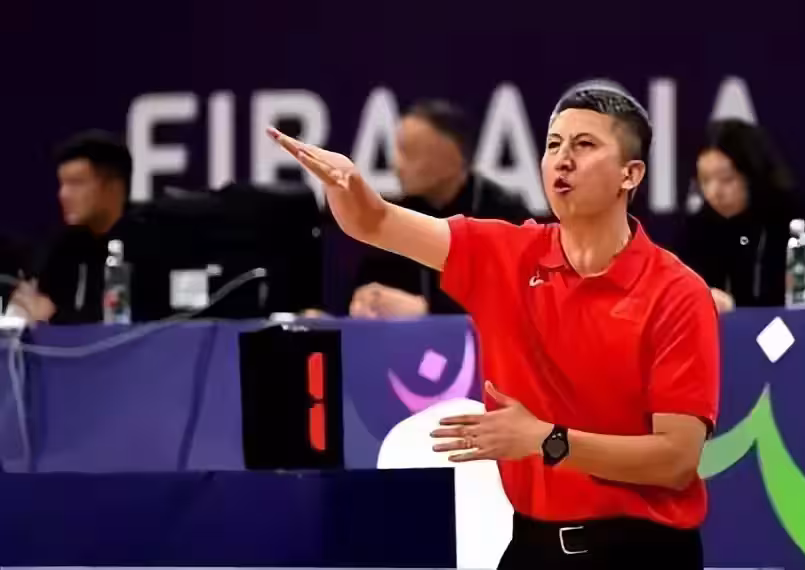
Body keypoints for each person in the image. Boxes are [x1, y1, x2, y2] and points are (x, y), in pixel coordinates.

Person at [269, 79, 718, 567]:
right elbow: (375, 222)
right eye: (553, 145)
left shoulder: (676, 292)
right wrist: (349, 188)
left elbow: (676, 462)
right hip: (532, 545)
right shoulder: (505, 254)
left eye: (584, 145)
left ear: (630, 174)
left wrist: (546, 440)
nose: (562, 159)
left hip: (642, 550)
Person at [348, 99, 532, 318]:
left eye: (410, 153)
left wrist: (428, 310)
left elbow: (520, 304)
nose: (396, 165)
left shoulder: (505, 216)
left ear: (453, 158)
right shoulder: (393, 218)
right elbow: (366, 288)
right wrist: (367, 302)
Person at [677, 119, 805, 313]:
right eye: (705, 180)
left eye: (726, 179)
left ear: (751, 174)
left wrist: (736, 312)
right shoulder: (696, 230)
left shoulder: (795, 223)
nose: (714, 192)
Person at [9, 130, 146, 324]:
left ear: (113, 188)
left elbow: (119, 324)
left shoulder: (145, 244)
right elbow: (34, 303)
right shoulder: (64, 248)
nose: (63, 194)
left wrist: (53, 317)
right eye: (62, 184)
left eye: (76, 183)